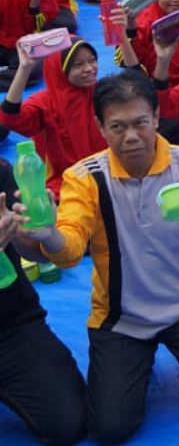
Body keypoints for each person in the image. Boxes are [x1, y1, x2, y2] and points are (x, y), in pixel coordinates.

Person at [22, 70, 179, 444]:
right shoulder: (85, 179)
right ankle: (134, 361)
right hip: (121, 317)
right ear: (100, 126)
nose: (131, 137)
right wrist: (48, 234)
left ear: (157, 118)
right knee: (110, 428)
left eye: (140, 124)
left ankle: (157, 357)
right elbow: (68, 253)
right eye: (117, 127)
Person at [0, 162, 88, 446]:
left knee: (70, 423)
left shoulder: (1, 173)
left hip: (11, 327)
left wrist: (42, 233)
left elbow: (35, 254)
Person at [1, 37, 107, 200]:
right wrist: (24, 69)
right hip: (63, 186)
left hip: (107, 177)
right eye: (78, 65)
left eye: (92, 60)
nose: (89, 69)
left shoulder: (104, 93)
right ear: (59, 69)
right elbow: (9, 119)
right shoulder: (43, 103)